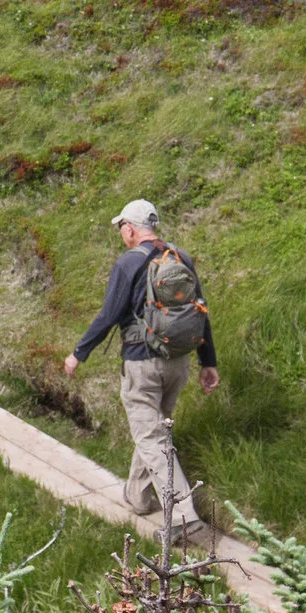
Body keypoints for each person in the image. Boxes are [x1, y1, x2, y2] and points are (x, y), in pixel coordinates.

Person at [63, 199, 219, 538]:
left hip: (141, 363)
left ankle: (185, 519)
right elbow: (200, 311)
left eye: (121, 227)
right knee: (153, 432)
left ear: (130, 229)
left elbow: (108, 315)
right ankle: (138, 496)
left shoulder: (128, 263)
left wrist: (79, 353)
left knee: (151, 436)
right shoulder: (180, 258)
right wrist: (209, 363)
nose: (122, 233)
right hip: (178, 363)